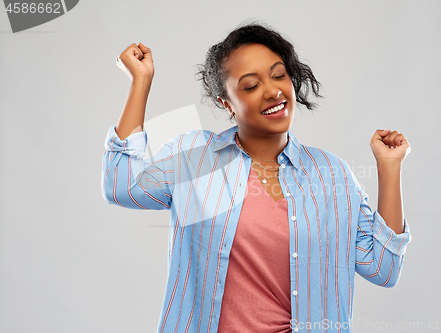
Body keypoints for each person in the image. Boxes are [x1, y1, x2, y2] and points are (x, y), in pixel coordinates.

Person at [102, 23, 411, 333]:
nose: (272, 91)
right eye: (251, 85)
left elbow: (384, 269)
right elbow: (121, 185)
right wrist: (140, 82)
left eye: (279, 75)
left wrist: (388, 168)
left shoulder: (332, 174)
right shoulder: (195, 156)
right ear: (226, 103)